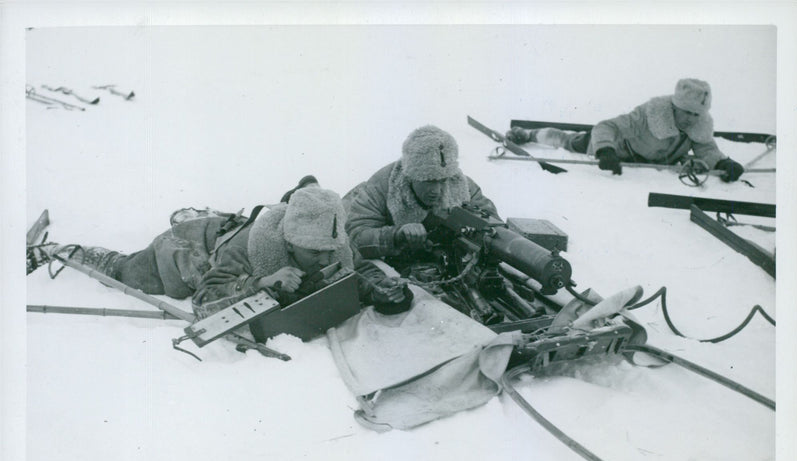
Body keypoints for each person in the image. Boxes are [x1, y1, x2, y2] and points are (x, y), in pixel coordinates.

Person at [41, 179, 411, 323]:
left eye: (331, 251)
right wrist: (259, 283)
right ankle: (73, 252)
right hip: (189, 250)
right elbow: (203, 303)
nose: (328, 260)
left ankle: (206, 216)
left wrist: (379, 288)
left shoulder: (329, 240)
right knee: (130, 273)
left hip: (229, 232)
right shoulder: (252, 250)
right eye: (316, 254)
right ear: (290, 243)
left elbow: (357, 266)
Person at [505, 78, 745, 182]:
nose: (691, 119)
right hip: (614, 150)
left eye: (697, 114)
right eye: (687, 112)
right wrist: (605, 151)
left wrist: (723, 163)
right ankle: (529, 134)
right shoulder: (648, 115)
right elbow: (605, 127)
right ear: (675, 106)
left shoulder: (699, 124)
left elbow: (706, 149)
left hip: (647, 161)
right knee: (567, 141)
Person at [343, 125, 499, 264]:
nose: (436, 190)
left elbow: (493, 223)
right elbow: (355, 238)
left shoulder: (462, 186)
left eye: (442, 180)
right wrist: (397, 235)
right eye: (429, 181)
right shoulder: (380, 187)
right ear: (410, 176)